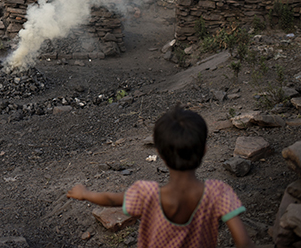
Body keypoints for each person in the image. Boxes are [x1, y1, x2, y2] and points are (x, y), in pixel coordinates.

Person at [67, 106, 254, 248]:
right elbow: (243, 242)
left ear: (160, 155)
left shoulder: (147, 194)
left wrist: (84, 193)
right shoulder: (218, 192)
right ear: (204, 151)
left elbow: (110, 199)